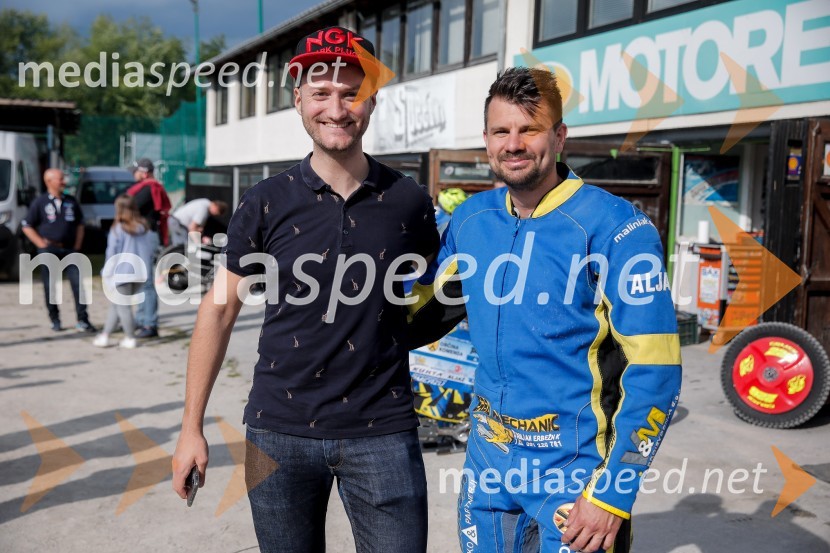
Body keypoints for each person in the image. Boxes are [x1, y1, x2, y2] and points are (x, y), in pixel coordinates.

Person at [171, 26, 438, 553]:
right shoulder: (265, 200)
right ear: (298, 99)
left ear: (372, 101)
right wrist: (190, 428)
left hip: (382, 429)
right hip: (278, 432)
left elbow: (435, 300)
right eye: (321, 93)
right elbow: (219, 311)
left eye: (351, 93)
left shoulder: (409, 200)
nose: (336, 109)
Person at [408, 67, 682, 553]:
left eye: (529, 129)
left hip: (575, 476)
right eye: (500, 131)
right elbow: (417, 307)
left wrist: (613, 494)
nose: (513, 144)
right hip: (488, 469)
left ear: (558, 136)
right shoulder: (471, 218)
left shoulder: (618, 227)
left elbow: (656, 372)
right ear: (487, 139)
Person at [21, 168, 96, 333]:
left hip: (70, 250)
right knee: (51, 287)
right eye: (60, 179)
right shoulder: (40, 202)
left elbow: (80, 224)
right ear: (49, 181)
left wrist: (77, 246)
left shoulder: (71, 201)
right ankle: (55, 320)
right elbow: (26, 225)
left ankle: (83, 320)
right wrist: (41, 244)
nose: (64, 182)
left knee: (78, 285)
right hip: (49, 250)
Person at [93, 195, 155, 349]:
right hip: (141, 273)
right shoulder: (144, 228)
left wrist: (106, 271)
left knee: (123, 307)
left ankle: (130, 337)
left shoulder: (118, 229)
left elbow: (111, 253)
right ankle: (105, 335)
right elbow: (150, 250)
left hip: (123, 274)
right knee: (117, 305)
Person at [127, 158, 171, 339]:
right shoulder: (149, 188)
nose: (133, 175)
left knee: (146, 282)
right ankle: (141, 319)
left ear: (144, 172)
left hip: (146, 237)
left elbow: (128, 207)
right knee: (141, 280)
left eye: (135, 171)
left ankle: (150, 324)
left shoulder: (147, 189)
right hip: (145, 236)